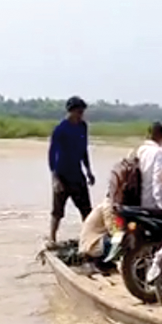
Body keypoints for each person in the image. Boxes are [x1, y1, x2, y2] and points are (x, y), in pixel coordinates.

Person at [48, 96, 95, 245]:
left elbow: (84, 150)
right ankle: (52, 238)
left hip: (77, 174)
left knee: (86, 209)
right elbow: (51, 154)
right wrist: (55, 179)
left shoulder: (83, 126)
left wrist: (88, 171)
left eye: (82, 112)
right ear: (71, 111)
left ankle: (88, 238)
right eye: (79, 111)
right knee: (57, 211)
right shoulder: (60, 129)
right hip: (62, 175)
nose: (81, 114)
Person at [78, 198, 119, 272]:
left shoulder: (108, 204)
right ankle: (100, 261)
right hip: (92, 244)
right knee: (120, 240)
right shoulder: (108, 207)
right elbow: (112, 230)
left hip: (93, 242)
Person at [136, 122, 162, 208]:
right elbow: (157, 180)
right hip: (151, 203)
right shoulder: (159, 152)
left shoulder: (141, 150)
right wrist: (161, 205)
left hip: (138, 200)